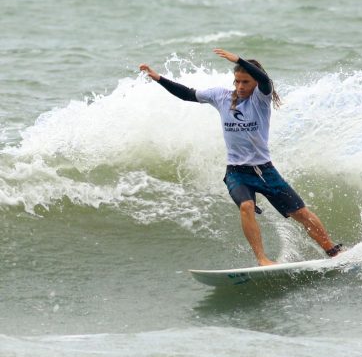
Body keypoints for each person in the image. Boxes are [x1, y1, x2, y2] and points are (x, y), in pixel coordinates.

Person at [139, 48, 342, 266]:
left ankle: (331, 250)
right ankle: (262, 258)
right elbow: (187, 94)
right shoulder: (220, 96)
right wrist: (158, 78)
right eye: (237, 81)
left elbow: (266, 80)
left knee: (300, 213)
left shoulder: (261, 99)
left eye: (245, 81)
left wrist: (237, 59)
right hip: (236, 172)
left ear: (255, 82)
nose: (240, 86)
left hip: (264, 171)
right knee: (246, 207)